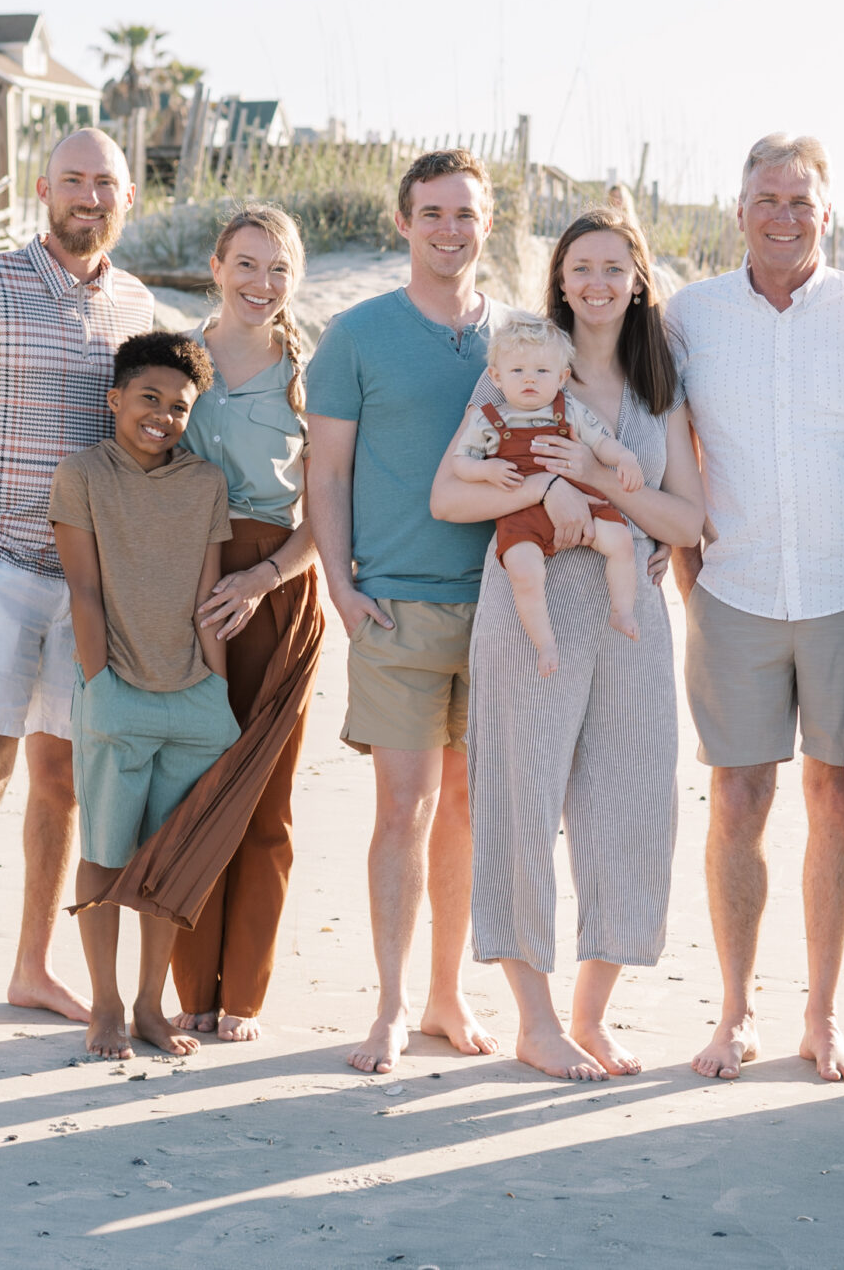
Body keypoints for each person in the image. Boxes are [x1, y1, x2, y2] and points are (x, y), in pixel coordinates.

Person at [432, 209, 704, 1081]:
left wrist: (590, 478)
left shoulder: (663, 389)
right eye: (580, 266)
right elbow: (449, 498)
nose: (596, 281)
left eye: (612, 267)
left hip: (630, 607)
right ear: (560, 278)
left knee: (632, 800)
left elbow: (690, 520)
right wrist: (546, 482)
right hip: (530, 599)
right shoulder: (518, 372)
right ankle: (536, 1020)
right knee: (517, 793)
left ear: (637, 277)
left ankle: (591, 1014)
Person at [0, 126, 156, 1049]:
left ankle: (30, 966)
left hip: (90, 585)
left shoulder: (138, 305)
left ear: (128, 198)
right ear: (43, 187)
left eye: (107, 182)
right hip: (0, 567)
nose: (90, 196)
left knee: (60, 778)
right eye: (75, 180)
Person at [665, 136, 844, 1084]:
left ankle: (822, 1016)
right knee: (739, 798)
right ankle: (735, 1011)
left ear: (827, 213)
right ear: (740, 207)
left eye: (801, 200)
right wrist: (687, 569)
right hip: (735, 588)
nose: (783, 216)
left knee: (836, 799)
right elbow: (669, 442)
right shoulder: (690, 316)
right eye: (767, 198)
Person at [306, 148, 526, 1075]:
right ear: (403, 223)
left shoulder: (518, 336)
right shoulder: (356, 335)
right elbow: (328, 471)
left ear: (487, 224)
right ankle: (392, 1004)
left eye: (465, 215)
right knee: (404, 806)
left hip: (503, 609)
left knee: (470, 808)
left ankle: (447, 991)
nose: (450, 231)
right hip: (393, 607)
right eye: (432, 214)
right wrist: (341, 587)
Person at [50, 332, 236, 1060]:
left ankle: (152, 1007)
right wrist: (99, 684)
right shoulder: (83, 475)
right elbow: (85, 589)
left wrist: (217, 689)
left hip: (194, 697)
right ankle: (104, 1004)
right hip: (117, 692)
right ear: (115, 400)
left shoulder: (205, 484)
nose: (161, 415)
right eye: (148, 399)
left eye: (179, 406)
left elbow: (206, 594)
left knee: (168, 863)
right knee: (104, 852)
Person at [166, 205, 323, 1042]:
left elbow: (328, 511)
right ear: (217, 266)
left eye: (279, 271)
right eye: (247, 265)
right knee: (190, 785)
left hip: (273, 589)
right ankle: (190, 985)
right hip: (185, 587)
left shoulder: (309, 373)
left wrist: (264, 578)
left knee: (265, 796)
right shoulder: (176, 358)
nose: (262, 284)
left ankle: (244, 996)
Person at [444, 315, 647, 674]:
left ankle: (623, 610)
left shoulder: (570, 410)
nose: (528, 379)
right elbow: (461, 462)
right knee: (524, 571)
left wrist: (625, 458)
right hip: (521, 511)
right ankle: (545, 643)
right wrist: (486, 469)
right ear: (496, 377)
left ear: (562, 377)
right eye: (518, 370)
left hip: (579, 500)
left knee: (620, 539)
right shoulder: (488, 419)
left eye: (541, 371)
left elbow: (602, 443)